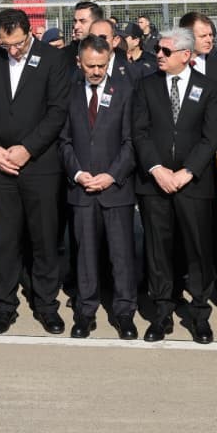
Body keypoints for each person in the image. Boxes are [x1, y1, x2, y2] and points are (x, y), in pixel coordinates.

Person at [0, 7, 72, 335]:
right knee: (4, 240)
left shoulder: (53, 59)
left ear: (29, 33)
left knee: (44, 238)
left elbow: (57, 112)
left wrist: (27, 149)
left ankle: (45, 304)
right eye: (6, 45)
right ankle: (4, 305)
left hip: (40, 165)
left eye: (18, 44)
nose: (13, 51)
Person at [134, 27, 217, 344]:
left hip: (193, 183)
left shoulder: (209, 88)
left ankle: (200, 314)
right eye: (158, 49)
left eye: (165, 51)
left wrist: (187, 172)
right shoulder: (146, 86)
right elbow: (139, 132)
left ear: (186, 55)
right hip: (155, 183)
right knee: (158, 251)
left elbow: (211, 136)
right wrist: (157, 169)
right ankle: (161, 313)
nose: (158, 54)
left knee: (198, 250)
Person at [60, 35, 138, 341]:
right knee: (85, 255)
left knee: (122, 256)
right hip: (81, 189)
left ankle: (124, 313)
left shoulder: (126, 92)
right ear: (79, 63)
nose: (96, 71)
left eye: (101, 66)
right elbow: (64, 140)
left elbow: (132, 142)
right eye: (90, 65)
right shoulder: (70, 93)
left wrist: (111, 175)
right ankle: (86, 312)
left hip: (115, 188)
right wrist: (77, 173)